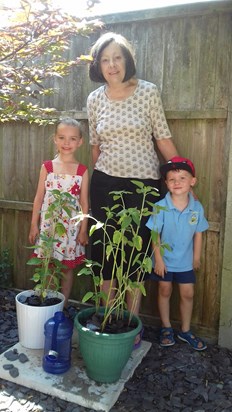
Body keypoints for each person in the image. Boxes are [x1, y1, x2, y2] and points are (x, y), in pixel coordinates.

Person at [87, 31, 179, 341]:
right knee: (105, 254)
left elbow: (162, 138)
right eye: (105, 60)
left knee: (136, 254)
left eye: (117, 58)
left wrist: (181, 174)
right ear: (98, 66)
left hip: (143, 187)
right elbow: (95, 148)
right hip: (103, 184)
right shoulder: (94, 100)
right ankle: (108, 319)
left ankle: (131, 325)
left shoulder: (148, 92)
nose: (112, 65)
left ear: (127, 60)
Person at [146, 156, 209, 350]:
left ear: (192, 181)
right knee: (164, 290)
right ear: (166, 183)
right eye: (172, 179)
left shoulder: (196, 208)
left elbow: (198, 235)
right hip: (164, 261)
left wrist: (196, 257)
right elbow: (154, 236)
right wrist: (158, 259)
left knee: (187, 294)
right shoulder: (161, 206)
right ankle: (166, 327)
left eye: (182, 178)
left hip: (185, 262)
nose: (177, 182)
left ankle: (185, 330)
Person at [29, 118, 89, 308]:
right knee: (48, 265)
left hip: (71, 230)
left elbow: (84, 203)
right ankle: (46, 304)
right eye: (62, 137)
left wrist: (83, 230)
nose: (66, 143)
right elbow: (39, 198)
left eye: (72, 139)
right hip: (49, 228)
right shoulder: (47, 167)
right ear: (55, 139)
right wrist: (33, 225)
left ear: (80, 142)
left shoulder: (82, 171)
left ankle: (61, 308)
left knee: (67, 269)